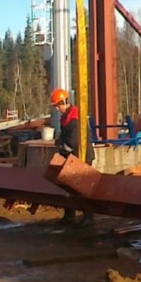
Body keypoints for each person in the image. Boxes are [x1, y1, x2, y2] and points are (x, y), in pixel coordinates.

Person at [50, 88, 94, 227]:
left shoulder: (74, 117)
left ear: (63, 102)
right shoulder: (66, 117)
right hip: (72, 156)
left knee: (82, 188)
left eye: (57, 106)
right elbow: (65, 137)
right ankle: (69, 215)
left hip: (82, 155)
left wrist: (62, 148)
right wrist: (60, 143)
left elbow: (73, 142)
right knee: (67, 186)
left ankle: (88, 216)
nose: (57, 109)